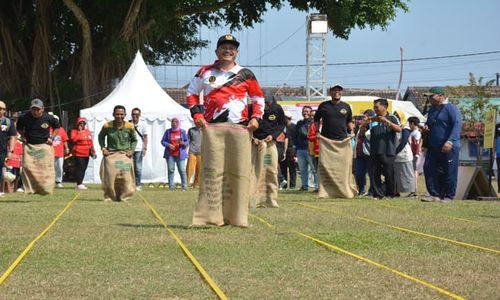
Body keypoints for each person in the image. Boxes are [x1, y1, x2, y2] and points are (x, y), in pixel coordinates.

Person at [188, 34, 264, 227]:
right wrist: (197, 116)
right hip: (212, 129)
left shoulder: (246, 74)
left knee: (238, 172)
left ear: (236, 52)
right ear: (217, 51)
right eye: (224, 47)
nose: (228, 50)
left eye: (232, 48)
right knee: (212, 171)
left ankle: (238, 217)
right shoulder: (204, 72)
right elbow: (192, 94)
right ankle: (209, 217)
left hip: (240, 128)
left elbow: (257, 98)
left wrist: (256, 118)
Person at [313, 85, 357, 198]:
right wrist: (317, 131)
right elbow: (316, 119)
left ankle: (343, 190)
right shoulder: (324, 105)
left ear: (341, 92)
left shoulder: (346, 107)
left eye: (338, 91)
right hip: (326, 140)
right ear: (330, 93)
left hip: (342, 141)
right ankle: (325, 191)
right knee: (325, 166)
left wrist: (351, 131)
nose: (336, 93)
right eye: (334, 91)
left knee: (343, 166)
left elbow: (349, 121)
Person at [421, 87, 461, 203]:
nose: (429, 98)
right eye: (428, 96)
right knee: (429, 168)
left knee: (449, 171)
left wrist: (450, 141)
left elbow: (457, 125)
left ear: (441, 96)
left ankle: (449, 196)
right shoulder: (432, 110)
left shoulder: (451, 108)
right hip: (433, 146)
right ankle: (435, 194)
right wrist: (425, 128)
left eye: (431, 96)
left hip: (449, 145)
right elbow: (429, 124)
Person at [16, 98, 60, 195]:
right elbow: (19, 128)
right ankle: (29, 188)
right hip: (29, 146)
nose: (35, 112)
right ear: (30, 109)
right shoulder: (24, 117)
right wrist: (23, 136)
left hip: (44, 145)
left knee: (45, 167)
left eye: (37, 109)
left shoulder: (48, 118)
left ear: (42, 109)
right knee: (27, 166)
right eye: (33, 109)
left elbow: (57, 127)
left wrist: (52, 137)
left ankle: (46, 189)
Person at [362, 98, 401, 199]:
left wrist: (387, 122)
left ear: (384, 107)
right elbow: (362, 132)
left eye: (376, 107)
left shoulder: (392, 117)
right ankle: (378, 194)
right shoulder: (373, 119)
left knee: (389, 173)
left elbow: (398, 129)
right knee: (375, 173)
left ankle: (390, 194)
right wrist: (364, 124)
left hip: (388, 150)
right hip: (374, 150)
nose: (375, 109)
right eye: (374, 107)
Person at [250, 98, 286, 208]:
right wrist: (251, 137)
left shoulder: (277, 108)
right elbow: (245, 123)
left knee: (271, 170)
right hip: (254, 144)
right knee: (253, 170)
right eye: (264, 103)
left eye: (268, 103)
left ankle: (270, 200)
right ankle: (252, 200)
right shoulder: (251, 108)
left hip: (270, 144)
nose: (266, 105)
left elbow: (282, 124)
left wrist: (274, 136)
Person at [98, 105, 137, 202]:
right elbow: (101, 137)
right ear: (113, 114)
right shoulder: (107, 126)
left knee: (125, 176)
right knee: (110, 177)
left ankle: (124, 197)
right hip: (111, 155)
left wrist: (131, 150)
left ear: (125, 115)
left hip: (124, 155)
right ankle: (110, 197)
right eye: (117, 114)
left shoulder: (130, 126)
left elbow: (134, 140)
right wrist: (103, 148)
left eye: (121, 114)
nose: (119, 116)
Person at [393, 111, 417, 197]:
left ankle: (413, 192)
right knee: (397, 174)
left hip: (404, 154)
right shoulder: (397, 127)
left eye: (397, 116)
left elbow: (403, 142)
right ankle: (396, 191)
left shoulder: (405, 128)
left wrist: (395, 151)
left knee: (408, 173)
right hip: (398, 155)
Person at [161, 118, 188, 191]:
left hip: (180, 154)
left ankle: (184, 188)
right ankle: (171, 188)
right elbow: (163, 141)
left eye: (176, 122)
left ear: (178, 123)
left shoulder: (182, 132)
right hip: (170, 154)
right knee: (170, 170)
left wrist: (183, 143)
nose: (174, 123)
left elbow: (187, 141)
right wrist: (169, 145)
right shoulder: (168, 132)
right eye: (172, 122)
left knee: (182, 170)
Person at [295, 106, 316, 191]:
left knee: (314, 169)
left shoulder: (313, 123)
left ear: (311, 113)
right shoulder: (299, 123)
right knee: (302, 169)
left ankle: (317, 186)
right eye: (304, 111)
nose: (305, 113)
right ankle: (304, 186)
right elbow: (295, 136)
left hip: (310, 149)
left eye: (307, 111)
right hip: (300, 149)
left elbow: (308, 135)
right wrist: (295, 148)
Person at [70, 117, 95, 190]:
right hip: (78, 153)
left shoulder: (87, 131)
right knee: (79, 168)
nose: (82, 125)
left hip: (86, 153)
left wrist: (93, 150)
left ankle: (80, 182)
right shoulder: (74, 131)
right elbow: (74, 139)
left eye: (83, 123)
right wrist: (80, 132)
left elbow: (90, 142)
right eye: (80, 123)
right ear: (77, 124)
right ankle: (79, 184)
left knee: (83, 168)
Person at [0, 100, 17, 196]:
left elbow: (13, 136)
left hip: (2, 150)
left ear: (4, 110)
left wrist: (11, 150)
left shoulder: (8, 122)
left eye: (0, 109)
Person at [130, 108, 148, 191]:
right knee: (127, 166)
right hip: (129, 148)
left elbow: (145, 137)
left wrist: (145, 148)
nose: (135, 116)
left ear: (139, 115)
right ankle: (129, 183)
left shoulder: (143, 124)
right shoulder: (128, 123)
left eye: (137, 114)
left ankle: (138, 184)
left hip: (139, 149)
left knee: (138, 167)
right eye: (133, 114)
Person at [50, 114, 69, 188]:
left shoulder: (61, 129)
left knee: (59, 167)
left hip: (59, 152)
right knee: (51, 167)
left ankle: (58, 181)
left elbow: (64, 140)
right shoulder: (48, 129)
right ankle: (50, 181)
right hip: (50, 152)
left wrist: (66, 148)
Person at [280, 111, 296, 189]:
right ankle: (284, 185)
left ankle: (292, 185)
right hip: (283, 148)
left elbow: (297, 139)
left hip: (291, 149)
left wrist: (295, 152)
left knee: (292, 168)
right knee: (283, 167)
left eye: (285, 118)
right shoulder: (282, 127)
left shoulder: (294, 127)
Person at [408, 116, 422, 194]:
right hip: (413, 154)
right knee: (413, 171)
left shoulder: (416, 133)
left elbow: (416, 144)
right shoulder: (413, 132)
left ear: (413, 123)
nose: (409, 125)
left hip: (414, 154)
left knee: (413, 172)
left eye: (409, 123)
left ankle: (414, 190)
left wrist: (415, 154)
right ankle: (413, 190)